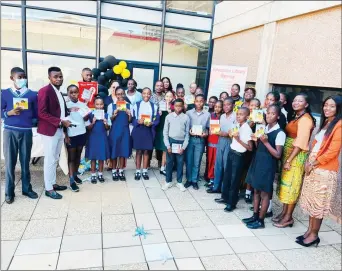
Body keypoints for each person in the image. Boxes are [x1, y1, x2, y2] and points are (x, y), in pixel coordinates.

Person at [297, 95, 341, 247]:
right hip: (314, 166)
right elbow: (316, 145)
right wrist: (309, 162)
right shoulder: (327, 122)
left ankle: (314, 235)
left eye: (332, 106)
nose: (327, 108)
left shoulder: (339, 124)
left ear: (338, 108)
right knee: (311, 203)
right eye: (326, 105)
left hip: (324, 170)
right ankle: (309, 231)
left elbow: (332, 152)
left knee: (318, 205)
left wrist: (313, 163)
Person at [273, 93, 315, 228]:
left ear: (306, 105)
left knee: (292, 186)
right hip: (289, 154)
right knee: (286, 185)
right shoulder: (296, 116)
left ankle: (288, 218)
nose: (296, 103)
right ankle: (284, 212)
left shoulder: (305, 120)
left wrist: (289, 160)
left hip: (296, 157)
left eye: (300, 101)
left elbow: (300, 143)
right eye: (295, 100)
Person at [242, 104, 286, 229]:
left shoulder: (280, 133)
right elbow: (258, 147)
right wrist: (256, 140)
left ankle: (261, 220)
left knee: (265, 194)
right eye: (268, 113)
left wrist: (266, 142)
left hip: (267, 165)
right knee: (256, 190)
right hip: (258, 161)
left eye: (273, 113)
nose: (269, 115)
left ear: (277, 116)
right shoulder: (264, 128)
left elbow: (278, 154)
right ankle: (255, 215)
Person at [1, 67, 38, 203]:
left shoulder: (32, 94)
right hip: (9, 131)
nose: (23, 79)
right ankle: (9, 192)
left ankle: (26, 188)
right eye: (19, 77)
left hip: (26, 131)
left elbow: (36, 114)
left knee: (25, 161)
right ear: (12, 78)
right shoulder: (5, 93)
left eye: (24, 76)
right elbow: (1, 111)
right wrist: (8, 113)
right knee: (10, 162)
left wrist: (30, 121)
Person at [38, 67, 71, 199]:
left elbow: (59, 111)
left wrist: (69, 112)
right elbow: (41, 113)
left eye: (60, 76)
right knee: (50, 159)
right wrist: (60, 122)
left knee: (55, 158)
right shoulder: (44, 91)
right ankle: (48, 188)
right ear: (49, 78)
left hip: (58, 130)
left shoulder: (58, 92)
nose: (59, 79)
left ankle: (52, 183)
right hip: (49, 131)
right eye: (55, 76)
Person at [215, 107, 253, 212]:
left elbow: (250, 147)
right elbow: (233, 138)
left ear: (247, 117)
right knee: (227, 176)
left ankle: (232, 203)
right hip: (231, 152)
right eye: (237, 114)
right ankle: (225, 197)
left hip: (239, 156)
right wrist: (232, 136)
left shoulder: (247, 128)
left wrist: (238, 139)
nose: (238, 116)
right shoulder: (236, 125)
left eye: (241, 114)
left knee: (234, 180)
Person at [207, 98, 236, 194]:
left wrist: (227, 134)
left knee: (226, 166)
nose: (226, 106)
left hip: (230, 142)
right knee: (218, 164)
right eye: (224, 105)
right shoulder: (222, 116)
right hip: (220, 141)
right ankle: (216, 186)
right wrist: (214, 131)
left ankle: (224, 189)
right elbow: (217, 129)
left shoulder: (235, 116)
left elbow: (236, 131)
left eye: (228, 104)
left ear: (233, 105)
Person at [64, 85, 90, 192]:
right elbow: (63, 122)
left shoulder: (83, 104)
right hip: (71, 135)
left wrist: (85, 115)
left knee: (79, 156)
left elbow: (86, 119)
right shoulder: (65, 105)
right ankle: (71, 181)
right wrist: (66, 135)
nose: (74, 94)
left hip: (82, 133)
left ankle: (75, 175)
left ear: (79, 93)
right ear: (68, 93)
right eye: (71, 92)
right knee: (71, 158)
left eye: (75, 92)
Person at [131, 87, 160, 180]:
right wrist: (137, 121)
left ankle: (145, 171)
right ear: (141, 94)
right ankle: (138, 171)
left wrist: (152, 123)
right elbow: (132, 118)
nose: (146, 95)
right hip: (139, 130)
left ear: (151, 95)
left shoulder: (154, 106)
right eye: (144, 93)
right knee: (139, 151)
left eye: (148, 93)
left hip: (148, 130)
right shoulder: (137, 105)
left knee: (147, 151)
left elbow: (157, 119)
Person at [162, 98, 190, 191]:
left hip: (181, 143)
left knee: (180, 163)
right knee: (169, 163)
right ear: (173, 106)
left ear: (183, 107)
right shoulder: (168, 117)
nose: (178, 108)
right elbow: (165, 132)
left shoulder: (186, 117)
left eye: (180, 106)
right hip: (171, 141)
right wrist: (168, 146)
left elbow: (187, 134)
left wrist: (184, 147)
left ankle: (179, 182)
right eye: (176, 106)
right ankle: (168, 181)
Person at [184, 94, 210, 190]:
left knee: (197, 161)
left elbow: (208, 128)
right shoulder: (188, 113)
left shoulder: (207, 114)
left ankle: (194, 180)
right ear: (194, 102)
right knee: (189, 160)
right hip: (190, 139)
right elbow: (186, 126)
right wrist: (189, 131)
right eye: (197, 101)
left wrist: (205, 134)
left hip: (200, 140)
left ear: (204, 102)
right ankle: (188, 179)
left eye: (201, 101)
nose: (199, 103)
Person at [107, 87, 132, 181]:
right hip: (115, 130)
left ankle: (121, 170)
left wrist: (129, 114)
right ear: (115, 95)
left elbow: (130, 121)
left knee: (123, 150)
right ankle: (114, 170)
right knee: (114, 150)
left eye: (122, 94)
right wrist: (114, 114)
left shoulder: (128, 105)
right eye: (118, 94)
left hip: (125, 130)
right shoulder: (111, 105)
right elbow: (109, 120)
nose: (120, 96)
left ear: (124, 94)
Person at [86, 96, 111, 184]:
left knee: (101, 157)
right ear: (94, 105)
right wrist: (93, 122)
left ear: (103, 105)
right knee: (93, 157)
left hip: (102, 137)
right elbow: (88, 128)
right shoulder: (91, 114)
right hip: (93, 138)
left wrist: (105, 122)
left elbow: (108, 128)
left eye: (101, 104)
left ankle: (100, 174)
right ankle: (93, 174)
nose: (99, 106)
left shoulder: (106, 114)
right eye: (97, 104)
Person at [154, 91, 174, 175]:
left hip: (170, 130)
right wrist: (158, 113)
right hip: (161, 129)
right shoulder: (160, 105)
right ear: (164, 97)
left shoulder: (174, 106)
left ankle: (163, 167)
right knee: (164, 149)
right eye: (167, 96)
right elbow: (156, 116)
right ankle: (163, 167)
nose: (168, 98)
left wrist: (170, 111)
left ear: (173, 98)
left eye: (170, 96)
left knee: (167, 149)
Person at [207, 100, 223, 185]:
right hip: (211, 140)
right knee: (211, 160)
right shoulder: (211, 115)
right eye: (216, 106)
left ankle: (216, 179)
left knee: (217, 162)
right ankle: (211, 178)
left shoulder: (223, 117)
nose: (217, 108)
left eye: (219, 107)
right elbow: (209, 127)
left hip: (219, 141)